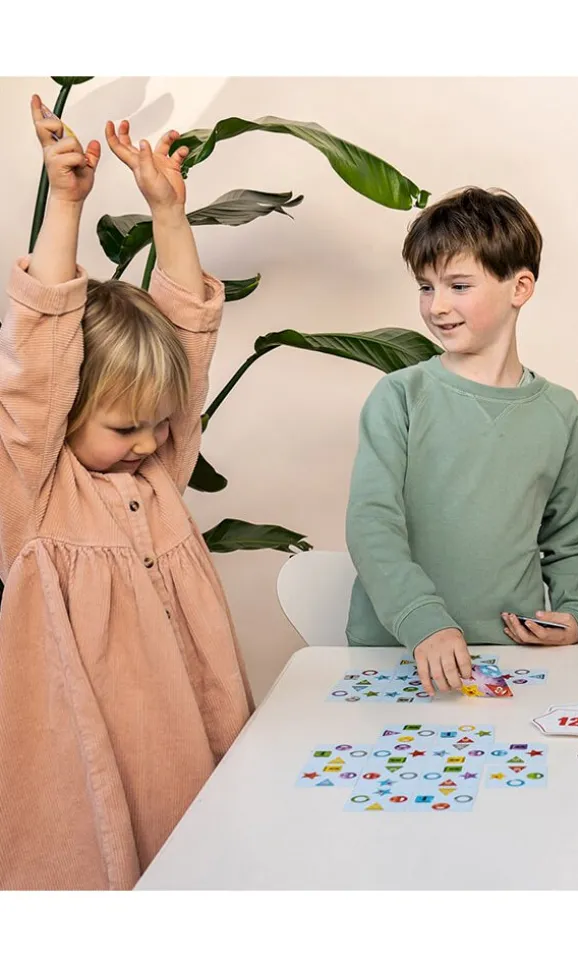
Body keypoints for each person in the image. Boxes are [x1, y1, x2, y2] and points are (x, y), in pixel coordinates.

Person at [0, 95, 252, 890]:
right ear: (68, 407)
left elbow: (188, 340)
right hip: (94, 757)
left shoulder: (159, 474)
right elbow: (38, 358)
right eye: (123, 426)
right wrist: (66, 204)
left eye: (157, 423)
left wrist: (169, 215)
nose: (149, 441)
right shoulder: (35, 492)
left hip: (189, 737)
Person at [346, 187, 578, 697]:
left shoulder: (560, 412)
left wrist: (576, 615)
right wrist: (424, 621)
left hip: (512, 659)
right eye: (426, 288)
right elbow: (372, 524)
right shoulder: (400, 396)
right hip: (395, 652)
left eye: (459, 285)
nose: (437, 306)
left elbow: (575, 537)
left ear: (520, 287)